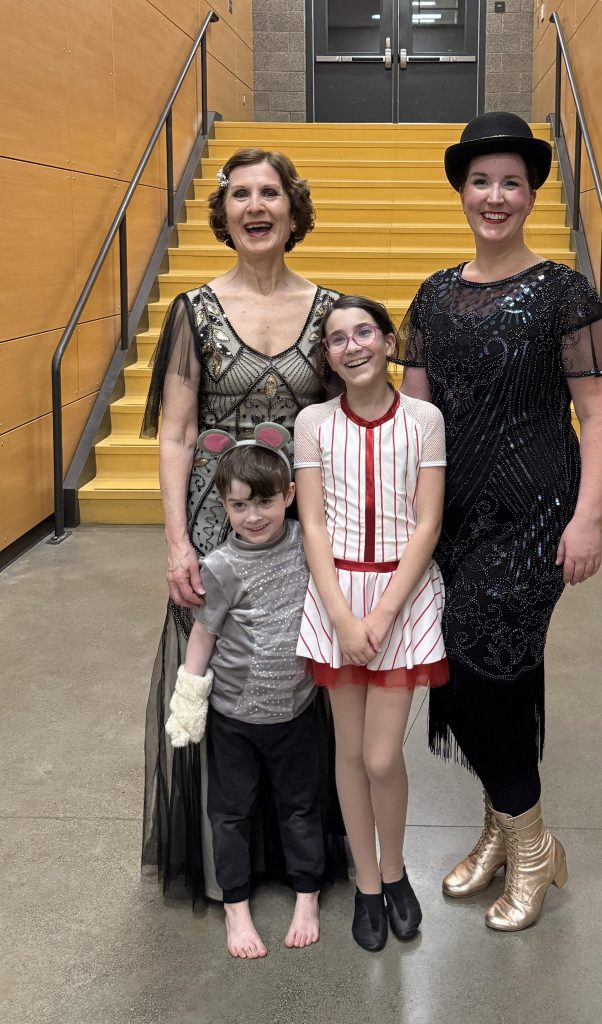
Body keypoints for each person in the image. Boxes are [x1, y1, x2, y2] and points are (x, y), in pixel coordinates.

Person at [395, 112, 602, 932]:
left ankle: (531, 846)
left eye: (511, 183)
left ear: (530, 195)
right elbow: (414, 420)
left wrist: (588, 519)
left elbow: (597, 415)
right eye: (480, 181)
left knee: (478, 662)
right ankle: (499, 828)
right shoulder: (433, 295)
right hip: (452, 514)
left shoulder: (562, 291)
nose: (495, 196)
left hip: (535, 511)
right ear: (462, 191)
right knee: (495, 674)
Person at [141, 148, 341, 901]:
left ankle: (298, 853)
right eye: (240, 195)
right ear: (223, 213)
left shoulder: (330, 312)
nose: (255, 206)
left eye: (270, 193)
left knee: (295, 672)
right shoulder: (192, 311)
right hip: (213, 521)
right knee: (217, 670)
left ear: (292, 209)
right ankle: (224, 854)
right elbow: (176, 433)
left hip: (293, 524)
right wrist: (176, 541)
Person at [294, 295, 448, 952]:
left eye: (365, 332)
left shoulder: (424, 419)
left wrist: (382, 614)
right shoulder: (311, 422)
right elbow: (313, 524)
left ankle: (395, 872)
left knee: (383, 757)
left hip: (402, 597)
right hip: (335, 597)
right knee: (349, 754)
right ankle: (365, 883)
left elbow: (427, 523)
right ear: (326, 355)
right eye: (336, 338)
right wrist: (340, 615)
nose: (352, 345)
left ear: (388, 342)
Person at [164, 427, 324, 958]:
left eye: (265, 502)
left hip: (297, 709)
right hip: (233, 717)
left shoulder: (307, 543)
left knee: (301, 806)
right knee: (230, 813)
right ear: (224, 506)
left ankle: (307, 895)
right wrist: (189, 700)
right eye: (239, 505)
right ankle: (236, 908)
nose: (253, 516)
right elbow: (203, 636)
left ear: (289, 496)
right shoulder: (220, 566)